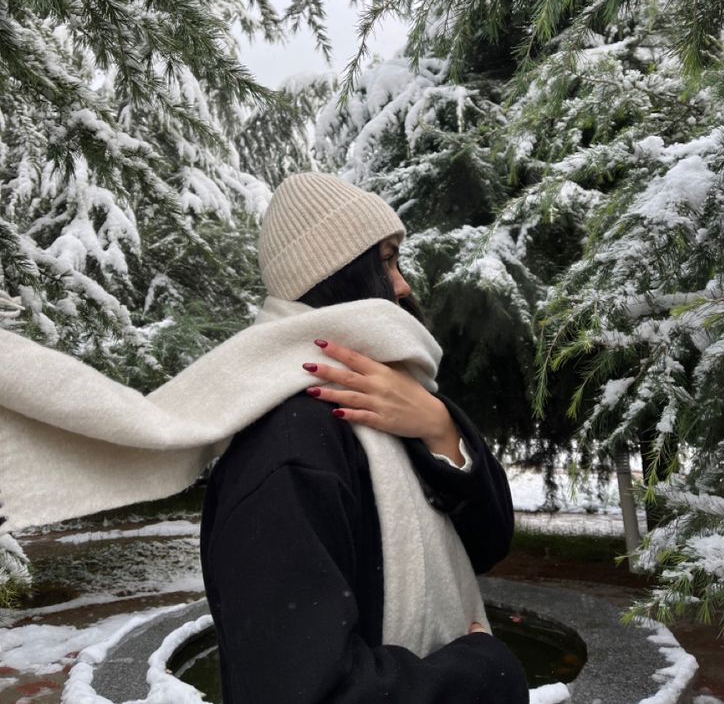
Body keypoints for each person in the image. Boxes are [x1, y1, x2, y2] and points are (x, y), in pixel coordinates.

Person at [200, 172, 529, 703]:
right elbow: (305, 692)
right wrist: (482, 673)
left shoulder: (391, 398)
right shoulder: (289, 444)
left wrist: (440, 428)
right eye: (384, 260)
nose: (402, 285)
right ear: (334, 272)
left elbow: (489, 544)